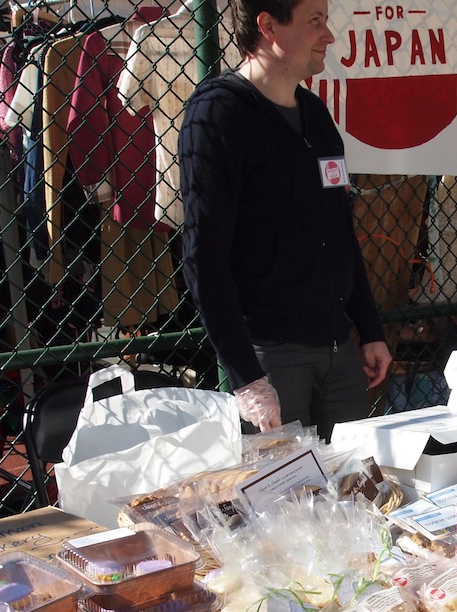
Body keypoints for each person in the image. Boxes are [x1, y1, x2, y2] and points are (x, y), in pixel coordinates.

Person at [178, 0, 392, 440]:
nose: (328, 36)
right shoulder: (219, 115)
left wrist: (369, 329)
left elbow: (340, 233)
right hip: (272, 359)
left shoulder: (315, 116)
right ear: (268, 26)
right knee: (283, 502)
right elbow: (203, 257)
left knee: (354, 493)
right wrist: (246, 376)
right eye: (315, 21)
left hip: (338, 350)